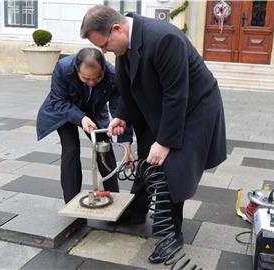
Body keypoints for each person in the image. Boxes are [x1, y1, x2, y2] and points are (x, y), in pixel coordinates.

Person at [80, 5, 227, 263]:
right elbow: (128, 86)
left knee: (172, 167)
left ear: (116, 28)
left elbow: (177, 93)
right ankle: (137, 211)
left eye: (104, 45)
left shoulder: (164, 38)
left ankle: (171, 236)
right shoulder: (122, 44)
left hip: (195, 107)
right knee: (148, 157)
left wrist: (166, 141)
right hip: (162, 103)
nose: (104, 51)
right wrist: (121, 115)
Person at [36, 47, 133, 203]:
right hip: (64, 111)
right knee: (71, 148)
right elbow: (58, 101)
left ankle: (113, 197)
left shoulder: (113, 75)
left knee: (104, 146)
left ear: (103, 68)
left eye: (98, 77)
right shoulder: (63, 67)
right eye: (86, 79)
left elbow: (121, 110)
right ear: (76, 70)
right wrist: (81, 118)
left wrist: (125, 143)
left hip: (93, 111)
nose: (92, 83)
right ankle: (71, 202)